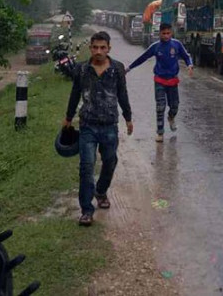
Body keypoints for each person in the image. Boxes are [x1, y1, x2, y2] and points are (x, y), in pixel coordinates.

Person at [64, 31, 133, 226]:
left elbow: (122, 95)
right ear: (90, 48)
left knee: (110, 161)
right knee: (86, 167)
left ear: (109, 48)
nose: (99, 51)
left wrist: (128, 118)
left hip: (110, 125)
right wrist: (68, 118)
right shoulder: (82, 70)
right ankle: (87, 210)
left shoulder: (117, 69)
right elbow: (75, 93)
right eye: (95, 47)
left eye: (103, 48)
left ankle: (101, 191)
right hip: (88, 126)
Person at [127, 22, 193, 142]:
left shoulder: (176, 44)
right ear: (160, 34)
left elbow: (186, 56)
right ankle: (160, 132)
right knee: (160, 106)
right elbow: (142, 58)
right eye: (164, 34)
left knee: (174, 106)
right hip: (160, 80)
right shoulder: (155, 47)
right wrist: (129, 68)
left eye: (168, 33)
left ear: (171, 33)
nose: (166, 36)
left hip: (173, 81)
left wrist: (190, 64)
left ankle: (171, 117)